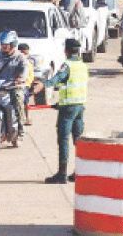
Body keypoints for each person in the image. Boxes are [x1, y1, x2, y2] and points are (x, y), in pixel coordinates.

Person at [43, 39, 88, 184]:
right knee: (78, 140)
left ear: (66, 51)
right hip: (80, 106)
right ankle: (80, 171)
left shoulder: (67, 65)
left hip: (68, 109)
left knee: (63, 140)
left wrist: (43, 85)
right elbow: (74, 86)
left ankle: (62, 174)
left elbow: (58, 78)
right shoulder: (82, 65)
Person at [0, 31, 27, 137]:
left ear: (13, 45)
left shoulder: (20, 57)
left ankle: (20, 126)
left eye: (6, 45)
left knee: (18, 99)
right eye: (2, 44)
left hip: (14, 86)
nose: (3, 47)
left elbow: (25, 70)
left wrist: (20, 79)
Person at [18, 43, 36, 126]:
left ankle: (28, 118)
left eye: (26, 53)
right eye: (23, 53)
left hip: (25, 85)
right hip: (17, 84)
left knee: (26, 102)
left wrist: (30, 83)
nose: (24, 55)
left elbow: (31, 74)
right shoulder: (16, 61)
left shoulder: (29, 62)